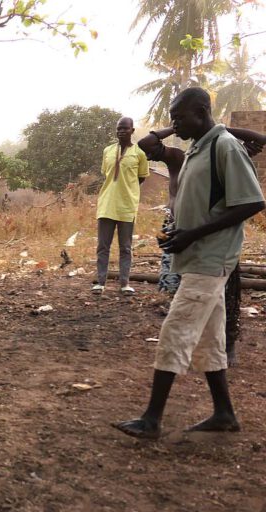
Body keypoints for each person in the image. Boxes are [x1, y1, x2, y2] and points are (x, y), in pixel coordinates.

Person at [115, 88, 265, 440]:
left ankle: (152, 419)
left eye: (179, 117)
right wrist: (181, 236)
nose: (174, 124)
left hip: (211, 259)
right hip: (196, 255)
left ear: (201, 111)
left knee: (175, 329)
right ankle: (224, 413)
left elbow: (252, 202)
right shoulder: (197, 148)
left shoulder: (223, 146)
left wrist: (194, 234)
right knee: (210, 339)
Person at [139, 124, 265, 364]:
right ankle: (211, 357)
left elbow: (261, 140)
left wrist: (217, 126)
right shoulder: (180, 158)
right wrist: (175, 127)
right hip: (179, 233)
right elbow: (146, 144)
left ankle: (225, 347)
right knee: (187, 294)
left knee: (221, 297)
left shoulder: (224, 152)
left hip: (213, 242)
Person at [94, 117, 149, 294]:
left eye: (125, 129)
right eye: (118, 129)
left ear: (132, 131)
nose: (121, 132)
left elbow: (141, 177)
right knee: (103, 246)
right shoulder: (108, 151)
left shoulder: (139, 154)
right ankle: (101, 282)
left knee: (125, 247)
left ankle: (124, 283)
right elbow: (107, 174)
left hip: (127, 206)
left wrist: (128, 191)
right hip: (106, 205)